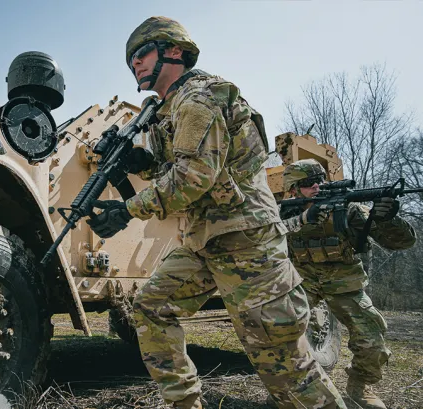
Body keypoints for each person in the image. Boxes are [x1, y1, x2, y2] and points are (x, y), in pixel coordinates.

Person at [86, 16, 346, 409]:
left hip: (248, 242)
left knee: (285, 368)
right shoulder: (169, 111)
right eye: (130, 61)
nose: (135, 65)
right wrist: (137, 161)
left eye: (140, 54)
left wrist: (127, 210)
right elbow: (171, 169)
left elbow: (194, 178)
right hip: (206, 241)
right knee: (152, 306)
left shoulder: (198, 98)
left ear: (173, 51)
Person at [280, 159, 417, 409]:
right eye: (309, 184)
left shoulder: (348, 209)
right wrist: (301, 219)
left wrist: (388, 219)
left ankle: (359, 387)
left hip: (343, 281)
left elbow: (400, 243)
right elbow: (263, 235)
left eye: (321, 180)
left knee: (372, 338)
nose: (317, 187)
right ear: (292, 190)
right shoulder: (283, 212)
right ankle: (290, 388)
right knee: (279, 330)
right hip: (302, 281)